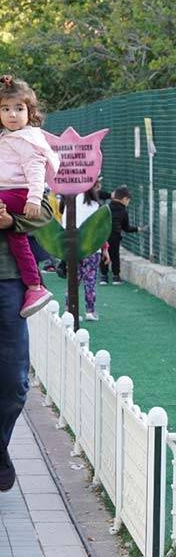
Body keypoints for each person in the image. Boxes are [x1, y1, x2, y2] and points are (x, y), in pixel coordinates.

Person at [0, 194, 53, 492]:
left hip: (8, 281)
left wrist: (12, 221)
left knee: (14, 382)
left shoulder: (17, 151)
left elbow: (44, 211)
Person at [0, 76, 59, 318]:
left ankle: (34, 285)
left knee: (13, 350)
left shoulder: (25, 138)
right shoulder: (7, 137)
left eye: (18, 108)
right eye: (5, 109)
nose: (12, 114)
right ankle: (35, 285)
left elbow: (42, 206)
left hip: (7, 275)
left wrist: (16, 219)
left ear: (29, 112)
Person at [61, 182, 109, 321]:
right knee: (90, 281)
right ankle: (90, 311)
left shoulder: (69, 201)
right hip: (92, 248)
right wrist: (104, 248)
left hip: (73, 248)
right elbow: (100, 230)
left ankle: (68, 311)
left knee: (73, 281)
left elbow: (65, 226)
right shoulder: (95, 205)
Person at [100, 186, 138, 285]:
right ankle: (116, 277)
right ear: (124, 199)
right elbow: (126, 228)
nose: (128, 203)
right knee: (115, 255)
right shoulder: (123, 211)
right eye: (128, 200)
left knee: (104, 254)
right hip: (115, 237)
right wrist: (137, 229)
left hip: (104, 235)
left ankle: (103, 277)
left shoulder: (105, 208)